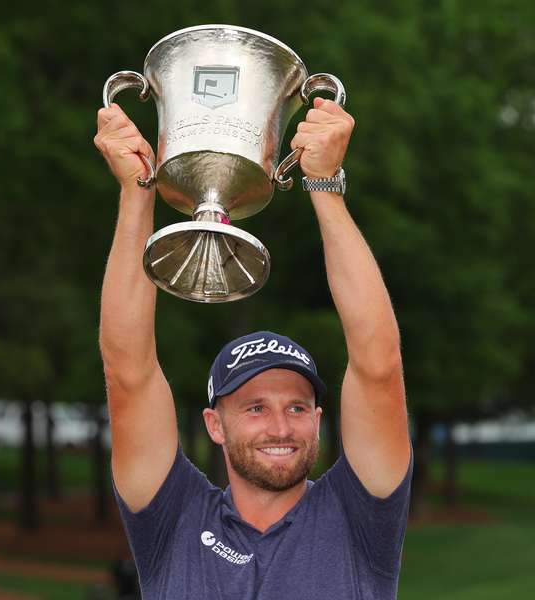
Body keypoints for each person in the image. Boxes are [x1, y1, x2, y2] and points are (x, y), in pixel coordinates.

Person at [94, 95, 412, 599]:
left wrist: (325, 187)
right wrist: (137, 192)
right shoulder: (173, 518)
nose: (281, 426)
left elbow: (378, 364)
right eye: (256, 407)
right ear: (215, 424)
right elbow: (128, 373)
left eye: (297, 407)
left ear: (317, 417)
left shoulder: (361, 517)